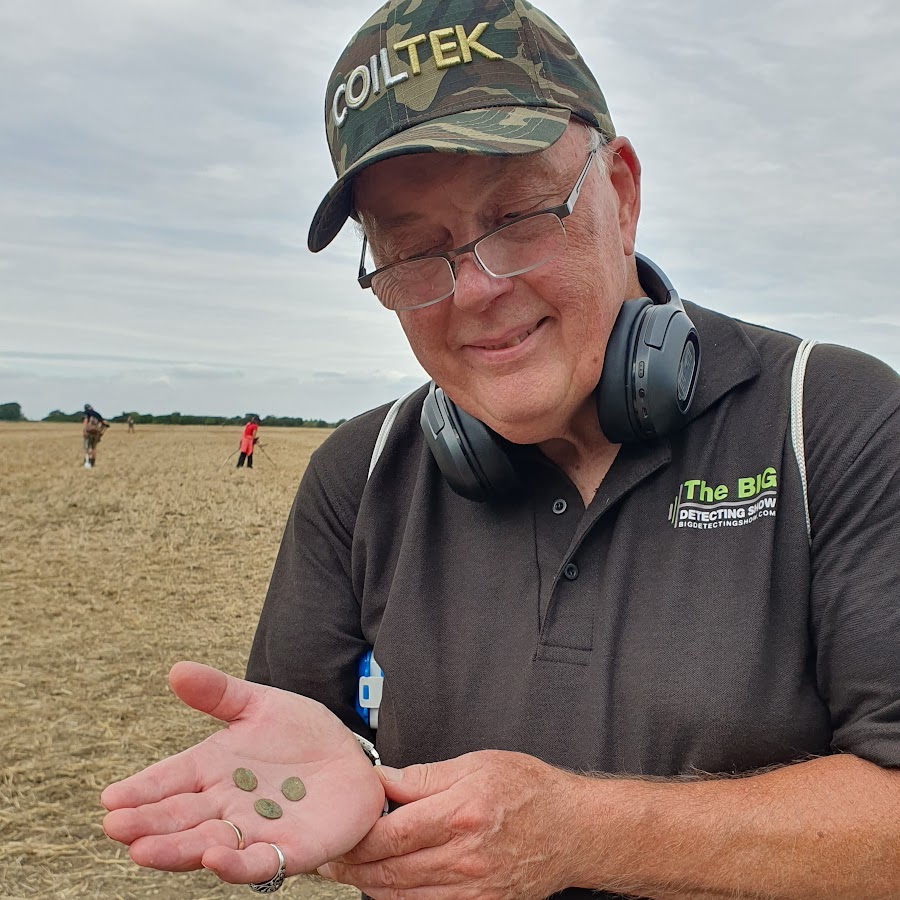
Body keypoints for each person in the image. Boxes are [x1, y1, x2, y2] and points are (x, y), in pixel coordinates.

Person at [102, 0, 900, 897]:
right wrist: (336, 799)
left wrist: (579, 833)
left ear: (622, 194)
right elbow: (314, 763)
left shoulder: (835, 422)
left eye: (519, 216)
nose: (476, 290)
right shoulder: (357, 475)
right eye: (415, 250)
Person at [81, 403, 108, 468]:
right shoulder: (97, 414)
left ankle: (87, 462)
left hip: (89, 432)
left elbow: (85, 421)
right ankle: (92, 463)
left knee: (87, 448)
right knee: (94, 448)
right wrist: (101, 432)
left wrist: (84, 431)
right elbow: (105, 424)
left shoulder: (86, 413)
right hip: (96, 433)